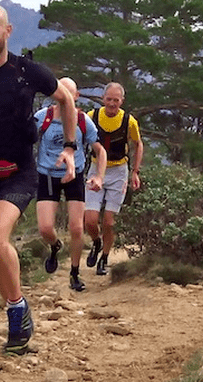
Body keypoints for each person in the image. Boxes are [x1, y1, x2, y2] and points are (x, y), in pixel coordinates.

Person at [0, 3, 77, 355]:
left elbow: (66, 101)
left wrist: (70, 148)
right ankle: (18, 305)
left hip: (20, 172)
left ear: (7, 32)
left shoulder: (28, 72)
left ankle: (16, 312)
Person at [35, 77, 107, 292]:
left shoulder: (83, 121)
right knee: (45, 228)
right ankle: (55, 246)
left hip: (75, 175)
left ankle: (75, 273)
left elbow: (100, 150)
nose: (64, 97)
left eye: (69, 93)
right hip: (47, 175)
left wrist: (99, 177)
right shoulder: (42, 118)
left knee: (77, 228)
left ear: (76, 96)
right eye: (60, 91)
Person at [84, 82, 143, 275]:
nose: (111, 104)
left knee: (109, 222)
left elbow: (138, 144)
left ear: (122, 101)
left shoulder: (129, 121)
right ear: (103, 98)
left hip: (118, 171)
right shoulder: (91, 117)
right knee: (90, 220)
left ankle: (105, 258)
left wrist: (135, 171)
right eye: (108, 99)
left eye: (116, 100)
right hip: (95, 168)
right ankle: (96, 242)